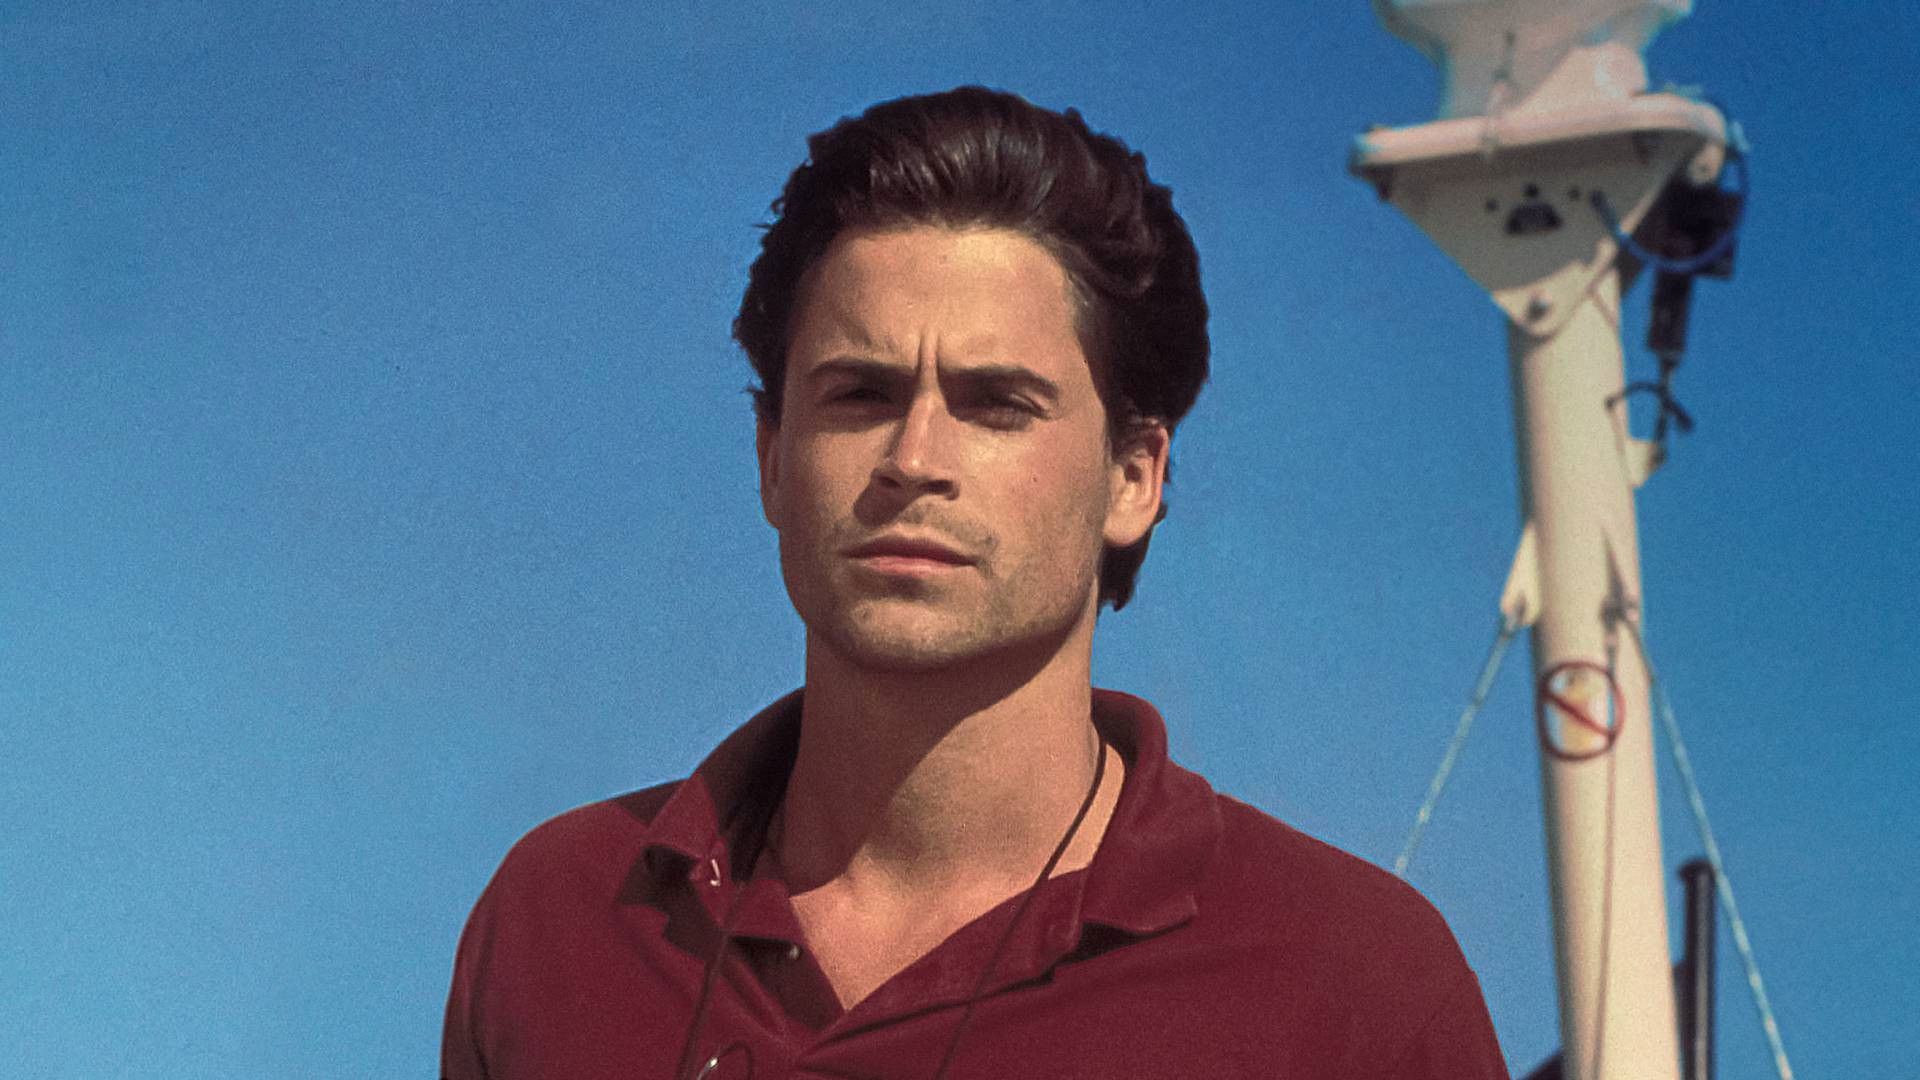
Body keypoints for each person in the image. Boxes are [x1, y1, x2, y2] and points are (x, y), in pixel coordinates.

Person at [441, 86, 1508, 1080]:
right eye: (860, 394)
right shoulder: (563, 915)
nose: (913, 458)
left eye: (997, 403)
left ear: (1134, 478)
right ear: (771, 457)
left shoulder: (1356, 985)